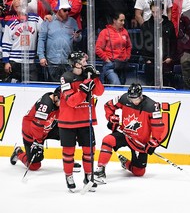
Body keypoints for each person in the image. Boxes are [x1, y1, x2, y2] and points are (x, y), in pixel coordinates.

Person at [94, 83, 165, 181]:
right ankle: (100, 170)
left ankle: (125, 162)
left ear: (141, 95)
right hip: (124, 134)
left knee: (139, 172)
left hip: (140, 141)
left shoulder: (152, 106)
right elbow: (108, 106)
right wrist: (111, 118)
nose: (133, 101)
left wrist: (154, 142)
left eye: (136, 99)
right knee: (107, 140)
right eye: (131, 99)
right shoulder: (123, 98)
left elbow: (158, 127)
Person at [58, 50, 104, 192]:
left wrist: (95, 78)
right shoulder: (65, 78)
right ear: (77, 64)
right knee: (68, 152)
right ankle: (69, 175)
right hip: (68, 121)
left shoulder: (87, 75)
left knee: (89, 151)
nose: (86, 63)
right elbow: (72, 101)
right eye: (83, 61)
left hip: (85, 120)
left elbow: (99, 92)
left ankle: (88, 177)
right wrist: (84, 89)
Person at [10, 86, 81, 172]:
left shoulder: (60, 103)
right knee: (34, 166)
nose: (65, 104)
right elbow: (36, 125)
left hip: (47, 129)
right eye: (63, 101)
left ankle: (68, 161)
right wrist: (38, 143)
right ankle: (18, 153)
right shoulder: (45, 104)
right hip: (31, 132)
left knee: (69, 133)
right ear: (56, 97)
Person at [37, 0, 81, 82]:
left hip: (67, 62)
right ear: (58, 10)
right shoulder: (48, 21)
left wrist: (77, 37)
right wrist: (41, 56)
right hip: (52, 61)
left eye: (68, 10)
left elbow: (78, 39)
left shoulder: (73, 22)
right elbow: (41, 40)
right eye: (65, 10)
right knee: (53, 87)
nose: (67, 12)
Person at [2, 0, 43, 83]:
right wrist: (6, 61)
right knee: (14, 86)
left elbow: (45, 30)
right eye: (16, 6)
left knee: (33, 85)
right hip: (15, 61)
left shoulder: (36, 19)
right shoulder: (10, 23)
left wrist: (48, 18)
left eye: (21, 5)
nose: (19, 8)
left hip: (30, 61)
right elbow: (6, 43)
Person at [141, 0, 176, 87]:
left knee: (167, 84)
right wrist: (147, 59)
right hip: (151, 61)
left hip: (166, 62)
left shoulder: (169, 25)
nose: (155, 14)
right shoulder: (146, 25)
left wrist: (170, 57)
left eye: (157, 12)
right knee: (150, 85)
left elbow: (173, 43)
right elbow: (142, 44)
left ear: (162, 11)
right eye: (153, 12)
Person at [95, 11, 132, 85]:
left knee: (122, 84)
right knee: (116, 83)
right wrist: (107, 59)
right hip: (110, 64)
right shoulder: (105, 32)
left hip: (122, 64)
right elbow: (98, 48)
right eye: (121, 20)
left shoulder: (124, 32)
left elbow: (129, 46)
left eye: (124, 20)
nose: (123, 22)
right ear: (114, 20)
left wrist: (127, 56)